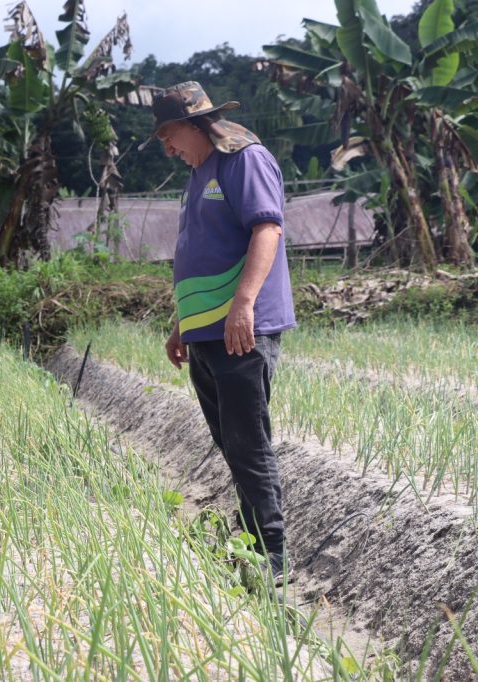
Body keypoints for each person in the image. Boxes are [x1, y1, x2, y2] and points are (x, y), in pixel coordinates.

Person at [140, 81, 297, 585]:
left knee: (248, 442)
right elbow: (202, 249)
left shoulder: (242, 159)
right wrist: (181, 324)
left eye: (169, 135)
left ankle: (270, 557)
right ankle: (249, 537)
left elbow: (267, 229)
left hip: (240, 330)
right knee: (230, 440)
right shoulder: (199, 170)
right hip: (205, 333)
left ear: (194, 124)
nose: (166, 147)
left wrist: (244, 305)